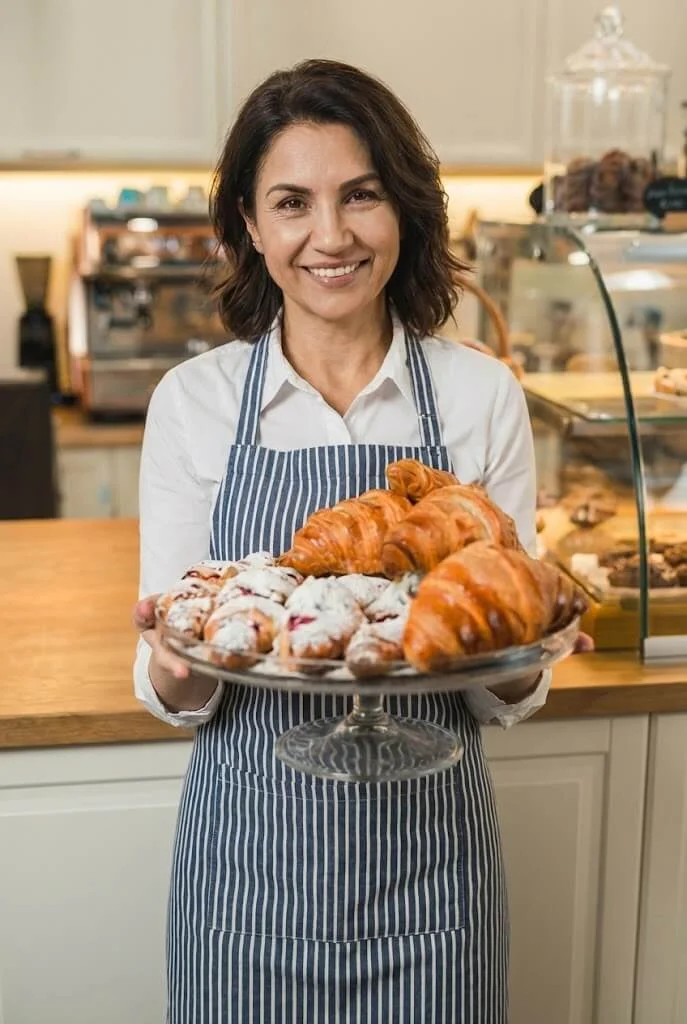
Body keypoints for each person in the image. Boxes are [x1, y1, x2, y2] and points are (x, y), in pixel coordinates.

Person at [133, 58, 589, 1023]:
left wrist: (522, 651)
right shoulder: (196, 404)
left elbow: (505, 687)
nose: (329, 236)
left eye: (361, 196)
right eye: (292, 203)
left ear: (405, 212)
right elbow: (178, 684)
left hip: (434, 881)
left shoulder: (478, 395)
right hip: (248, 879)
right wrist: (168, 655)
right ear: (250, 229)